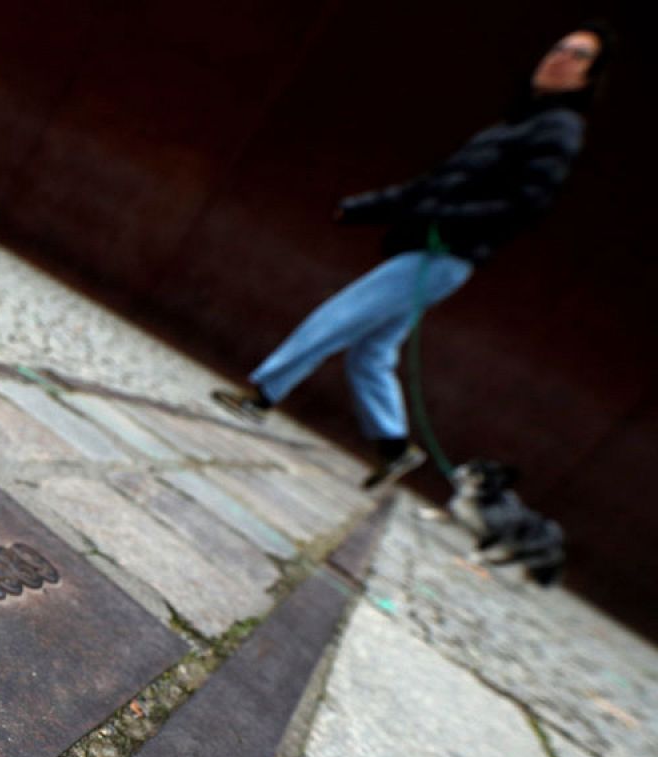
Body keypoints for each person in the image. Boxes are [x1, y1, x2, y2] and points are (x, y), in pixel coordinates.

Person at [212, 23, 613, 488]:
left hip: (443, 252)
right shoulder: (521, 123)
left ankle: (261, 396)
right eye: (558, 46)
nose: (558, 56)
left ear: (589, 78)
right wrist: (364, 209)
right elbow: (427, 189)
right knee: (372, 350)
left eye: (577, 54)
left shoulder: (559, 129)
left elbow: (528, 204)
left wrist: (449, 219)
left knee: (342, 315)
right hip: (437, 249)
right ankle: (394, 447)